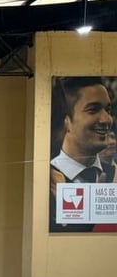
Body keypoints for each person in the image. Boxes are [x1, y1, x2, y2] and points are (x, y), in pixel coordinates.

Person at [49, 78, 114, 232]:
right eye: (93, 110)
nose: (106, 119)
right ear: (66, 121)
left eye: (108, 110)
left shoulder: (113, 175)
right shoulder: (45, 180)